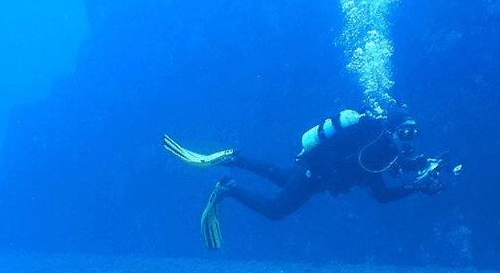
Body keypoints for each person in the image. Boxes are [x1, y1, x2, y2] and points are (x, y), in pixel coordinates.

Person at [163, 106, 452, 249]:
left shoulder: (382, 145)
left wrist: (420, 169)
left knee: (281, 177)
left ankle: (236, 158)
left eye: (414, 135)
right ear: (393, 130)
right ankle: (229, 187)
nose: (409, 140)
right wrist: (417, 186)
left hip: (313, 172)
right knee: (275, 211)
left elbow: (398, 164)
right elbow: (381, 195)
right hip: (316, 174)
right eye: (405, 133)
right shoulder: (375, 147)